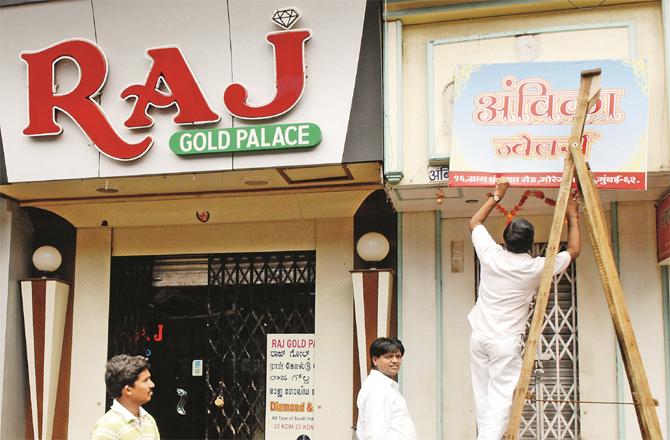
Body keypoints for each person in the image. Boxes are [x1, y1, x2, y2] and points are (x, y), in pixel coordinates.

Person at [468, 178, 581, 440]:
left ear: (505, 239)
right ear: (531, 244)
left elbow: (474, 223)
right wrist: (573, 216)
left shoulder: (491, 255)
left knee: (484, 398)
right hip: (504, 342)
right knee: (500, 402)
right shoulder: (535, 267)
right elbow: (574, 250)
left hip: (479, 336)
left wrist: (497, 196)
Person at [356, 337, 417, 440]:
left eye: (398, 356)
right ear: (375, 360)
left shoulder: (384, 386)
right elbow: (375, 435)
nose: (395, 361)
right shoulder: (377, 389)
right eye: (389, 357)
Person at [92, 354, 160, 440]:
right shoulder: (107, 427)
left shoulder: (149, 420)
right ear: (128, 390)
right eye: (145, 380)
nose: (152, 385)